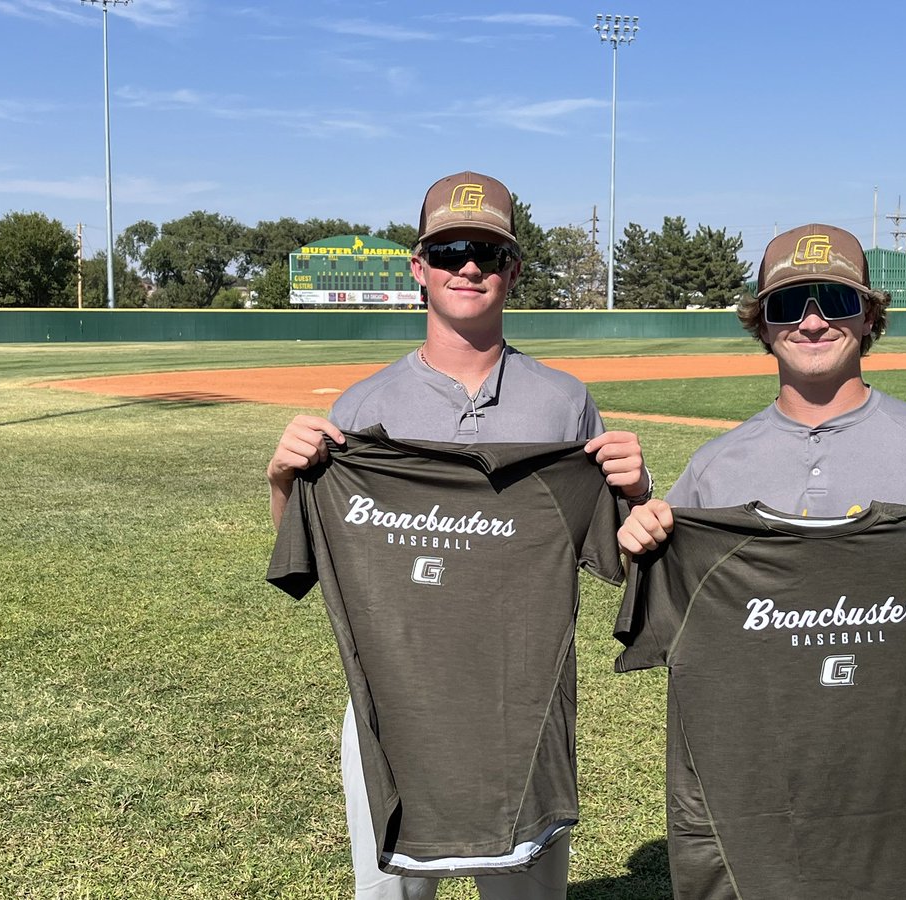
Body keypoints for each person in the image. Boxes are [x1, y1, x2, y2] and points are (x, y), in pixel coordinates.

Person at [615, 222, 906, 896]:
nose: (813, 320)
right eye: (789, 305)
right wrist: (643, 533)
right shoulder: (714, 467)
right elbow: (667, 593)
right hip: (759, 782)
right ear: (762, 325)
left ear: (869, 316)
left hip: (904, 781)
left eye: (835, 301)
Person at [265, 170, 651, 899]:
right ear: (419, 267)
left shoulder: (564, 405)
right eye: (447, 251)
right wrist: (285, 483)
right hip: (393, 700)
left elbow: (625, 563)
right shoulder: (362, 407)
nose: (467, 266)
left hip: (523, 704)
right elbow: (311, 561)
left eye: (487, 251)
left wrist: (636, 495)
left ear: (512, 269)